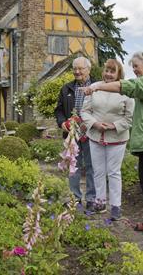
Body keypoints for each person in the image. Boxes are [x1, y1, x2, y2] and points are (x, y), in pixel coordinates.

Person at [82, 52, 143, 235]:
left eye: (136, 66)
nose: (135, 70)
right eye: (133, 67)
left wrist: (97, 87)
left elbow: (126, 87)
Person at [81, 59, 134, 220]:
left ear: (119, 74)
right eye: (106, 71)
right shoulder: (95, 87)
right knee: (98, 171)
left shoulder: (125, 90)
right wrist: (95, 124)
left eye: (112, 72)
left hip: (116, 137)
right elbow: (85, 111)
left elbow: (129, 119)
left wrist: (112, 126)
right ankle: (100, 202)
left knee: (113, 172)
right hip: (95, 135)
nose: (108, 74)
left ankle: (116, 206)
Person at [55, 56, 96, 212]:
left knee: (93, 167)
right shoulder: (66, 88)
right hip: (72, 135)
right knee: (74, 165)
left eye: (81, 68)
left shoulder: (97, 86)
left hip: (92, 133)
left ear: (89, 69)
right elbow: (58, 110)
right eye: (75, 69)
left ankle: (92, 199)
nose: (77, 72)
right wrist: (62, 123)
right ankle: (75, 199)